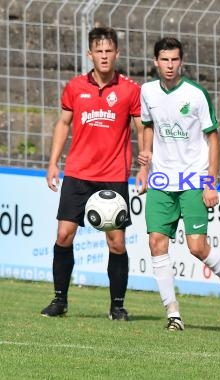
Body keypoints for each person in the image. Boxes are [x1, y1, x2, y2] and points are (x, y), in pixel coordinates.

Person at [135, 37, 220, 331]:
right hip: (162, 179)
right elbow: (148, 127)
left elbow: (213, 138)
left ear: (181, 62)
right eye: (165, 60)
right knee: (156, 242)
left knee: (197, 247)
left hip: (193, 179)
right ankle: (172, 313)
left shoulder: (196, 94)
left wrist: (210, 183)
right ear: (155, 62)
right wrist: (145, 165)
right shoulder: (147, 91)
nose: (170, 65)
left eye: (175, 59)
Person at [41, 27, 143, 321]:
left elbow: (141, 129)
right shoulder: (75, 87)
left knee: (117, 242)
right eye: (98, 51)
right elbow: (63, 124)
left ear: (117, 54)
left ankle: (117, 306)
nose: (104, 56)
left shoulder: (129, 90)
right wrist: (53, 162)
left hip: (113, 175)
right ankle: (60, 300)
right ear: (90, 54)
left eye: (108, 51)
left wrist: (144, 166)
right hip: (78, 174)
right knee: (63, 235)